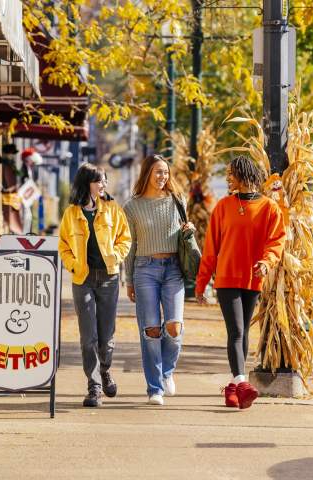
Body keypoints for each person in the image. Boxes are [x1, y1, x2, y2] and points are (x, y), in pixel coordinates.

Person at [195, 156, 286, 409]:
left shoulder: (269, 208)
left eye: (232, 173)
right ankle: (242, 382)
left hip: (253, 279)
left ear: (244, 175)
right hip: (226, 278)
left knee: (244, 332)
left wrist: (266, 262)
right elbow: (211, 249)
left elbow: (276, 241)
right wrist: (202, 284)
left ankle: (233, 391)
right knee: (235, 331)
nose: (228, 178)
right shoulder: (223, 207)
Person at [58, 164, 131, 407]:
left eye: (105, 181)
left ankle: (106, 370)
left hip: (108, 277)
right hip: (83, 279)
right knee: (87, 336)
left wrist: (116, 256)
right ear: (86, 183)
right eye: (99, 181)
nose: (103, 185)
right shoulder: (71, 213)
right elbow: (63, 245)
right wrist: (72, 265)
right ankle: (94, 386)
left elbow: (125, 238)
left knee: (106, 335)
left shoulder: (112, 209)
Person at [124, 154, 195, 405]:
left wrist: (189, 232)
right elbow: (129, 245)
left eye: (165, 172)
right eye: (157, 172)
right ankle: (155, 388)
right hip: (145, 269)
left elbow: (184, 235)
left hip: (173, 268)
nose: (162, 176)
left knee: (174, 326)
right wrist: (129, 280)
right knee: (151, 329)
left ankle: (166, 372)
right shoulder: (132, 206)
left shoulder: (177, 200)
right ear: (147, 174)